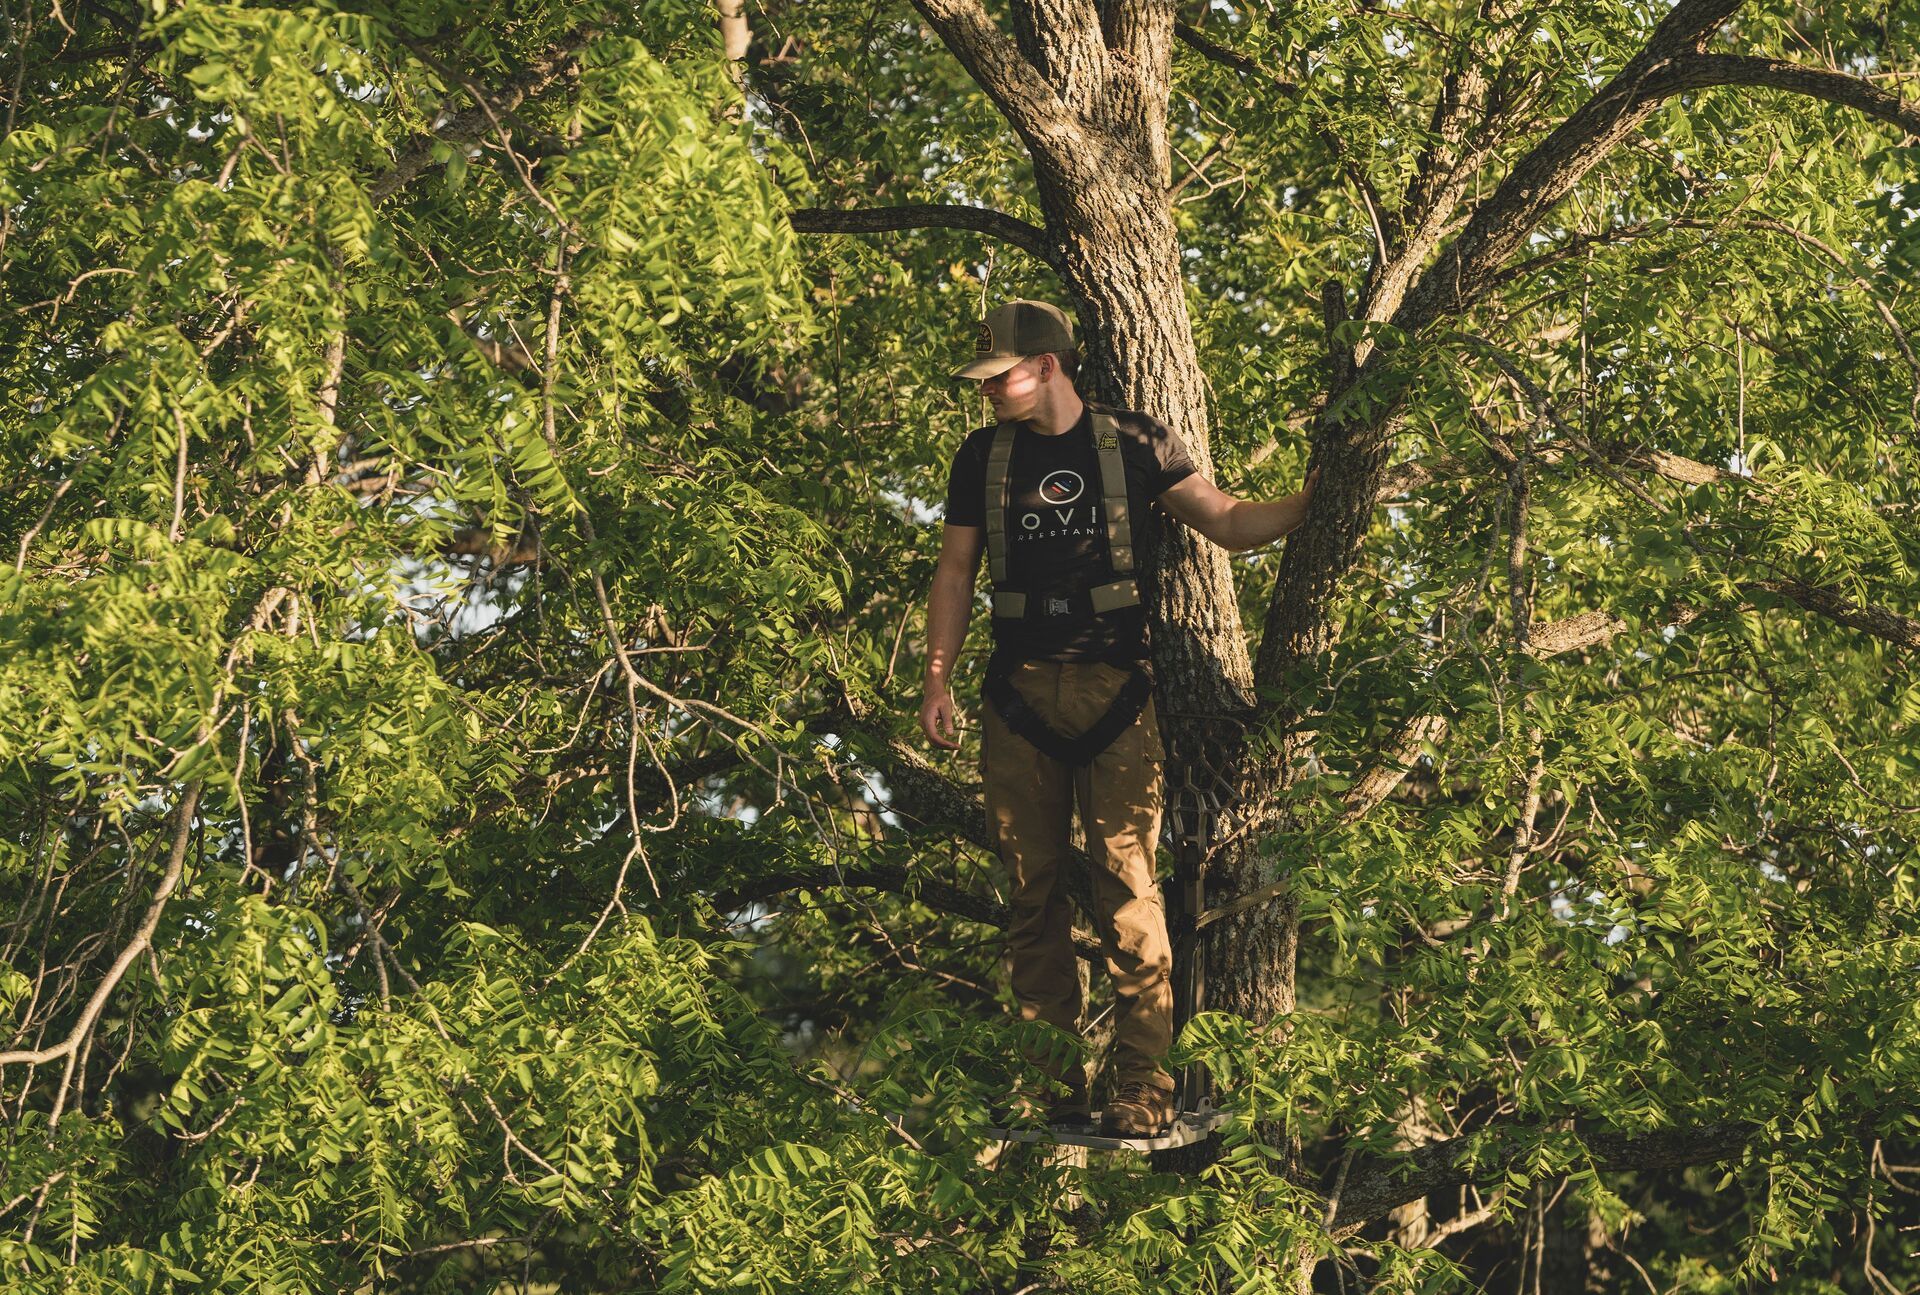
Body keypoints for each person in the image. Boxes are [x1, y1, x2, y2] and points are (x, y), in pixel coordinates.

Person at [918, 298, 1318, 1137]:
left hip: (1117, 696)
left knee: (1128, 893)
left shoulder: (1134, 443)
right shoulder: (980, 458)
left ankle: (1143, 1084)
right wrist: (936, 678)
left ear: (1050, 367)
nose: (989, 392)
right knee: (1030, 896)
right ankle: (1050, 1081)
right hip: (1016, 694)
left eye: (1002, 376)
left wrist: (1311, 502)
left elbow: (1226, 519)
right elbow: (955, 572)